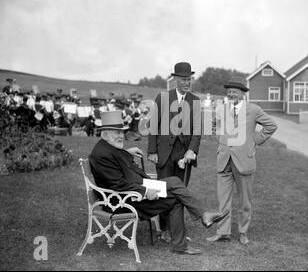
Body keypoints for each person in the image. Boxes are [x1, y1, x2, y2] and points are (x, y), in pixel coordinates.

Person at [89, 111, 228, 255]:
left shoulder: (107, 147)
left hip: (135, 191)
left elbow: (116, 158)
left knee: (175, 182)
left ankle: (195, 226)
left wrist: (127, 152)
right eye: (116, 132)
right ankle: (189, 234)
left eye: (121, 132)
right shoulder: (102, 155)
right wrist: (144, 191)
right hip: (124, 201)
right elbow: (117, 185)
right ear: (104, 133)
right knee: (176, 197)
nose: (120, 136)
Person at [207, 77, 277, 245]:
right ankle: (223, 232)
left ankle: (243, 231)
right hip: (224, 160)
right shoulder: (222, 109)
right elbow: (214, 127)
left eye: (235, 92)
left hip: (244, 162)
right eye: (229, 92)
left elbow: (271, 126)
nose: (231, 94)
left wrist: (254, 140)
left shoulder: (253, 110)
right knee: (223, 200)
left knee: (245, 201)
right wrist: (222, 140)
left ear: (243, 94)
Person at [147, 62, 201, 242]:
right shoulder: (162, 98)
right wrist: (152, 150)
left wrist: (191, 151)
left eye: (189, 80)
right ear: (175, 79)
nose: (187, 83)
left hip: (183, 156)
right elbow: (153, 125)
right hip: (163, 153)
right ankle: (164, 229)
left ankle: (177, 230)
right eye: (183, 79)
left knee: (180, 192)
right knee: (162, 191)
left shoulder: (195, 101)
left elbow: (197, 131)